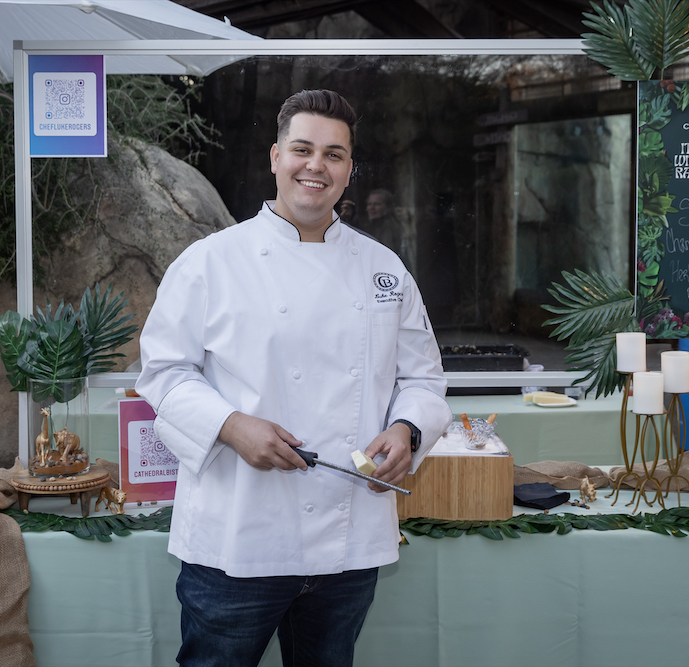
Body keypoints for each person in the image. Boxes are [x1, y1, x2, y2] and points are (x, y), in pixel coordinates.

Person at [135, 89, 451, 667]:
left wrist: (407, 429)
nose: (316, 165)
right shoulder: (210, 262)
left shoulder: (385, 270)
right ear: (275, 156)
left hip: (346, 545)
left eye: (334, 154)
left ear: (350, 170)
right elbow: (162, 373)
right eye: (303, 149)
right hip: (238, 539)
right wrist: (231, 426)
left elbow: (425, 381)